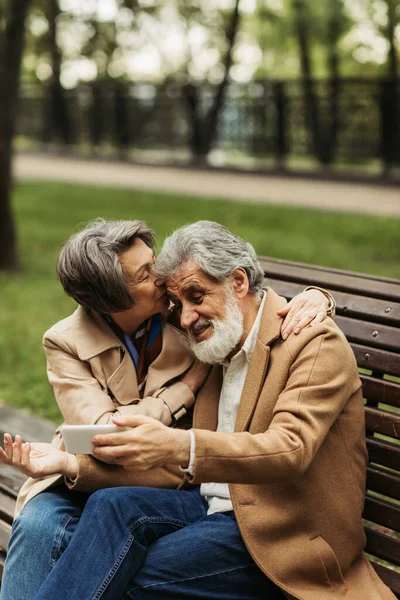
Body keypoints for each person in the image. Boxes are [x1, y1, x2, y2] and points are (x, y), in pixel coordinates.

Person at [0, 219, 332, 600]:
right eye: (145, 274)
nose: (161, 276)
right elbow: (112, 435)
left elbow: (242, 291)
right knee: (39, 525)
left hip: (169, 477)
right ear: (113, 298)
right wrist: (183, 393)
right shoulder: (66, 342)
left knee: (103, 564)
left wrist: (319, 296)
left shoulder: (186, 313)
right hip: (94, 468)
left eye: (153, 262)